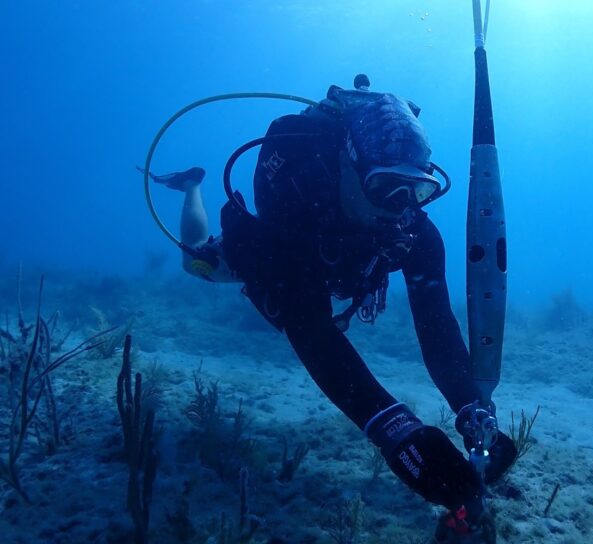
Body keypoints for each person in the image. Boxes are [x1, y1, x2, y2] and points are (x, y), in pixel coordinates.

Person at [150, 76, 516, 543]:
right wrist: (398, 430)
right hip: (287, 256)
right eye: (387, 188)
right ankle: (190, 188)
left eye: (416, 191)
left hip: (333, 259)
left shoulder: (410, 229)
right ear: (349, 163)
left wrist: (471, 409)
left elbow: (437, 327)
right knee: (196, 260)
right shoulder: (296, 203)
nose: (400, 210)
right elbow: (314, 336)